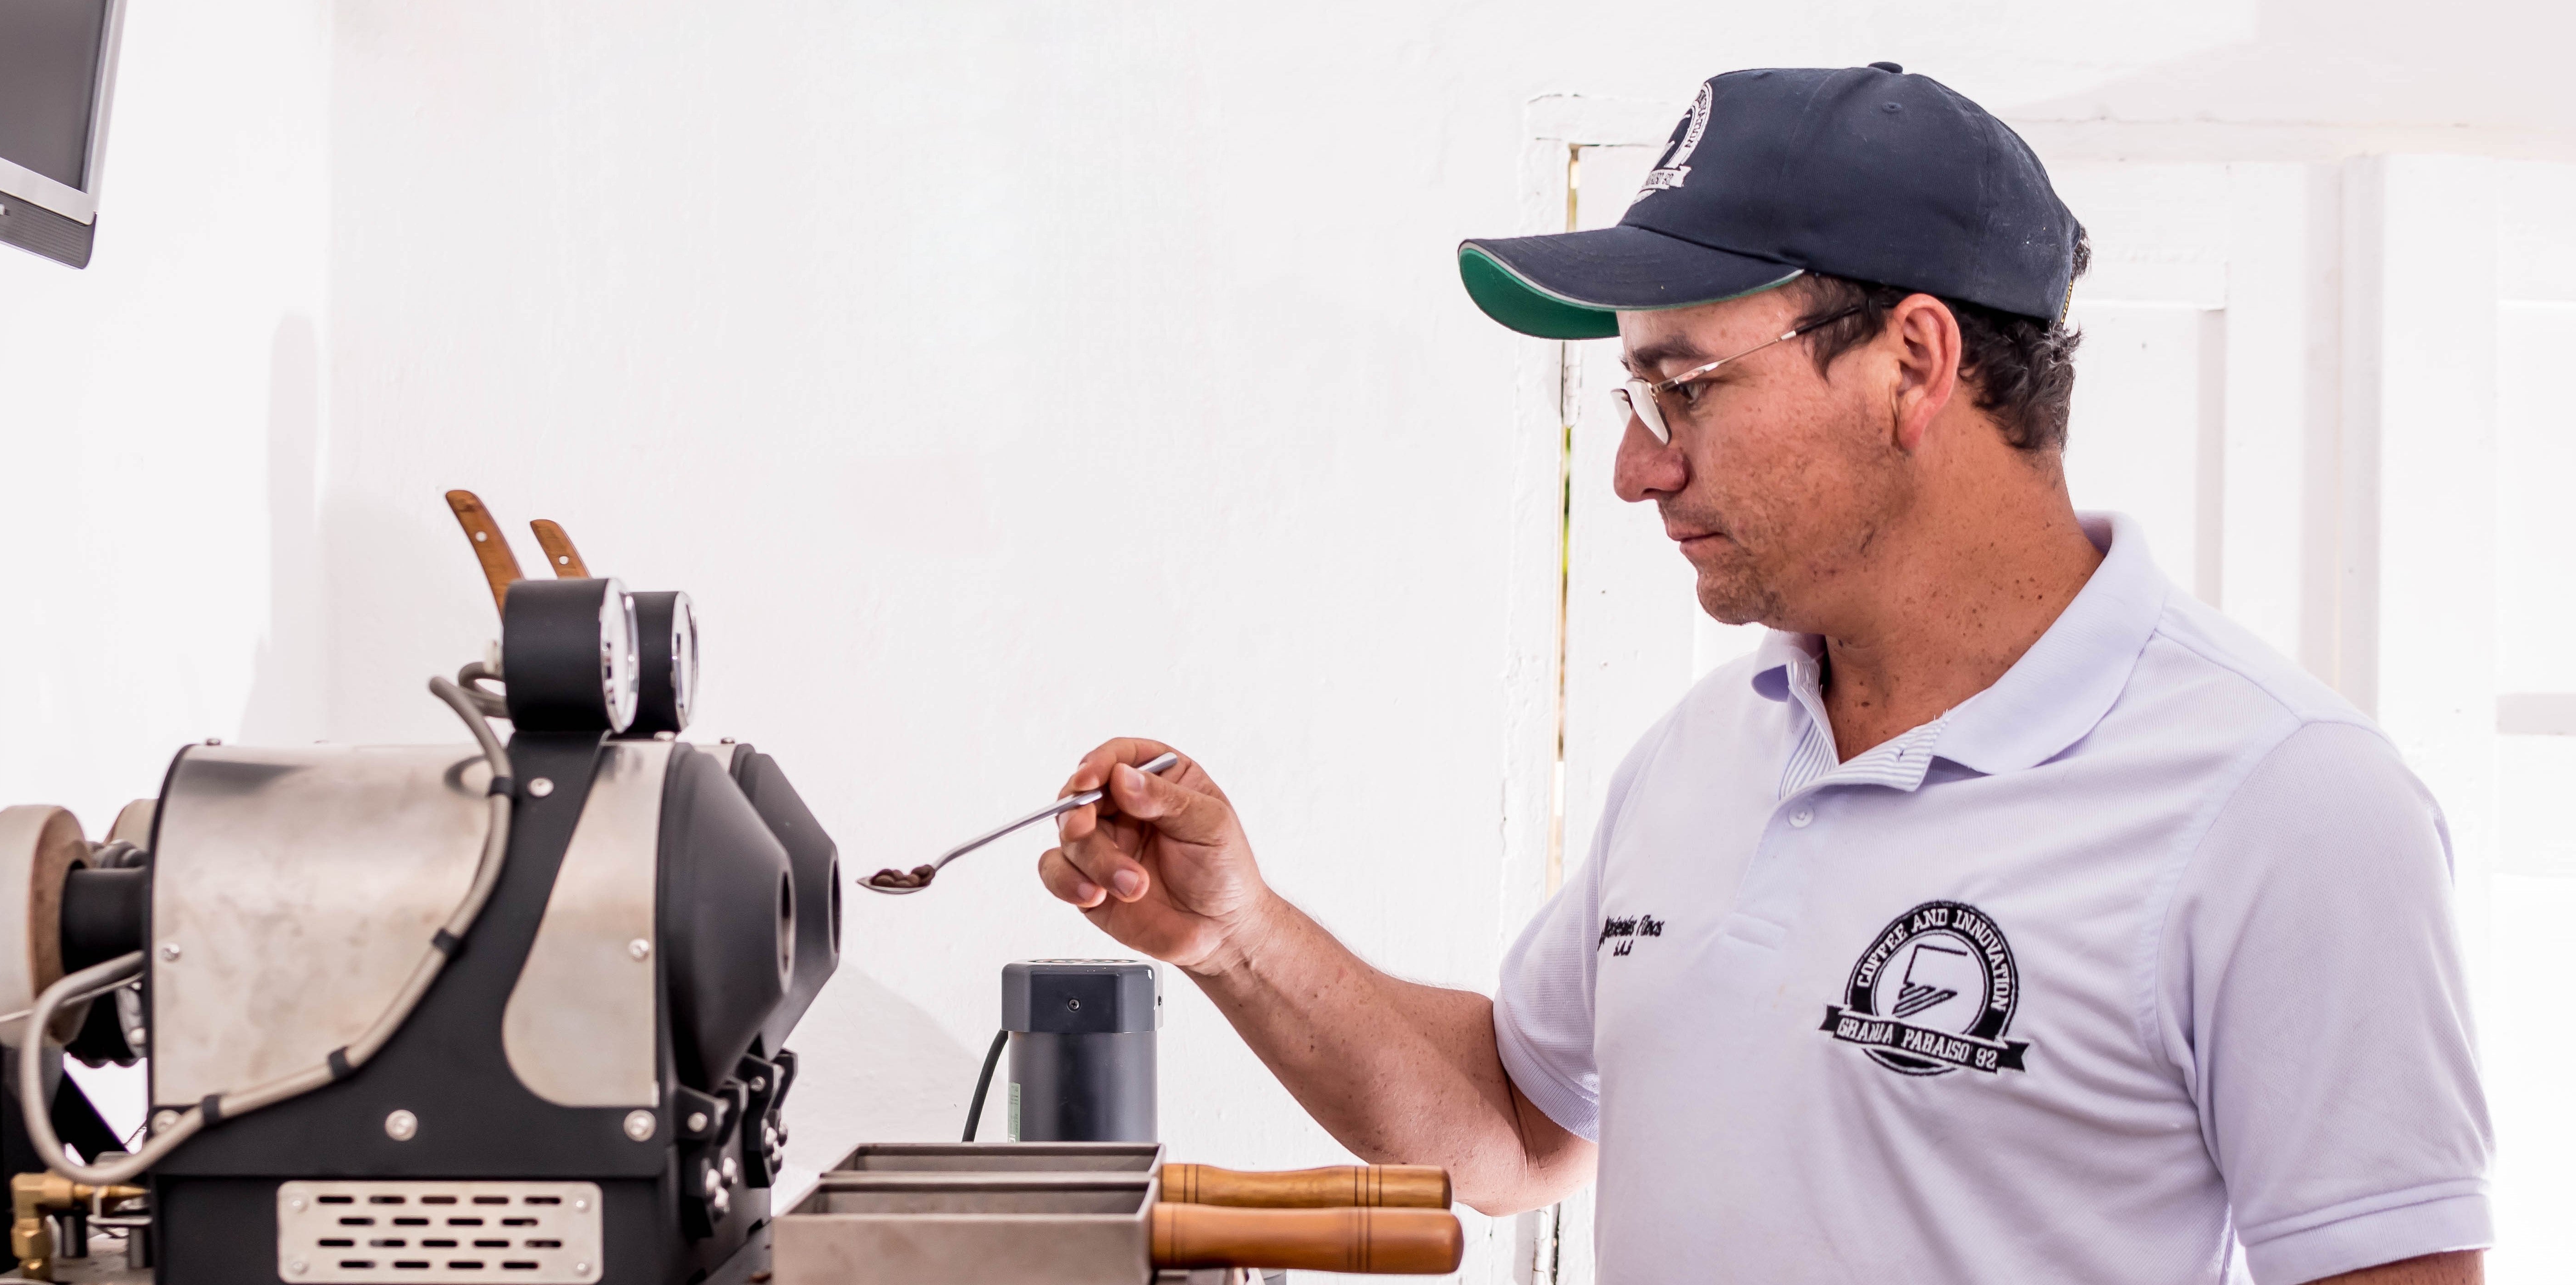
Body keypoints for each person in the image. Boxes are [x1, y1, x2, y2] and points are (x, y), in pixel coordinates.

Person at [1034, 64, 2492, 1285]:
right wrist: (1235, 935)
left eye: (1686, 385)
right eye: (1631, 393)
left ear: (1914, 362)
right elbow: (1514, 1124)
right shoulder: (1703, 757)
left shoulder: (2287, 804)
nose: (1634, 465)